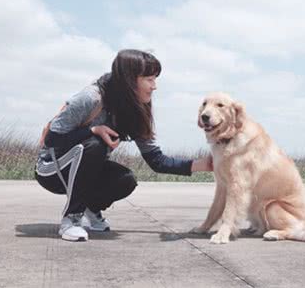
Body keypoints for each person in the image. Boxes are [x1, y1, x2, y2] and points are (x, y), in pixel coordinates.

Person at [35, 49, 213, 242]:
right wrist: (93, 131)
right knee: (94, 145)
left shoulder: (135, 108)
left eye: (155, 79)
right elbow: (51, 140)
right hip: (52, 171)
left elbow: (156, 160)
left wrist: (205, 165)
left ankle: (90, 208)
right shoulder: (91, 98)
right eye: (149, 79)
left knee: (125, 180)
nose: (154, 87)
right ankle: (71, 219)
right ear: (129, 79)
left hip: (83, 173)